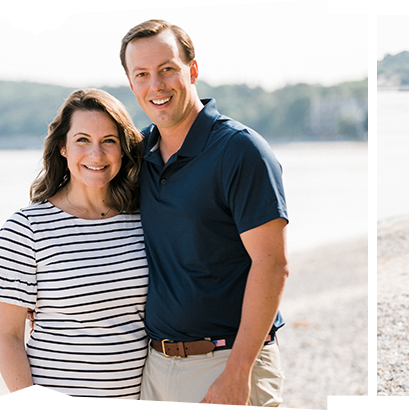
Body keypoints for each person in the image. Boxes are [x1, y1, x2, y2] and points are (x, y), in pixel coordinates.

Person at [120, 20, 289, 406]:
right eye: (142, 75)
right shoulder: (137, 153)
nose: (156, 85)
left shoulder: (240, 151)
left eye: (167, 69)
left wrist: (238, 372)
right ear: (131, 84)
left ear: (192, 70)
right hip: (156, 367)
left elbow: (272, 263)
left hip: (227, 362)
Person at [0, 89, 149, 398]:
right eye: (82, 140)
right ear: (63, 148)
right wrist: (32, 403)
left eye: (108, 141)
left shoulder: (143, 220)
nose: (96, 155)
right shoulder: (27, 228)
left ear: (123, 149)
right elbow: (8, 337)